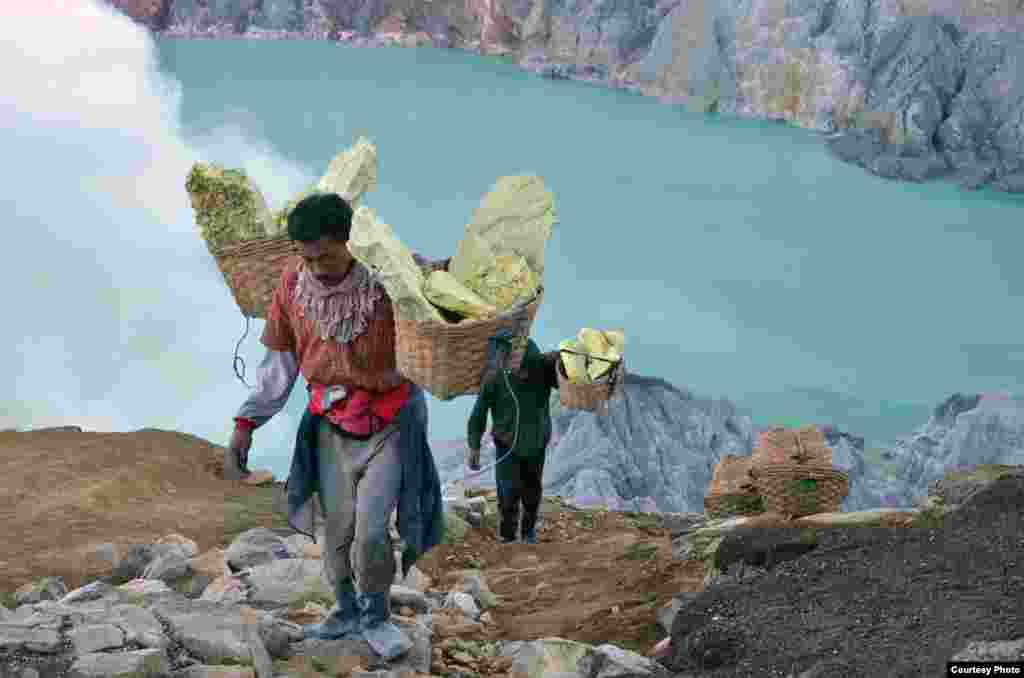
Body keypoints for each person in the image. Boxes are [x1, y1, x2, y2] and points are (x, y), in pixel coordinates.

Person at [226, 192, 446, 660]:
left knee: (370, 530)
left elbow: (441, 301)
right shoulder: (292, 287)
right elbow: (279, 363)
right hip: (329, 421)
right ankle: (344, 608)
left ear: (350, 241)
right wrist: (247, 422)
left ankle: (376, 613)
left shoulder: (388, 279)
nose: (317, 265)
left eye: (326, 253)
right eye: (307, 256)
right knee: (337, 529)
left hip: (390, 419)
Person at [465, 338, 560, 544]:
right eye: (516, 370)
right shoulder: (495, 377)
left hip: (536, 441)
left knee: (532, 491)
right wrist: (474, 446)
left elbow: (564, 375)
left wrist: (568, 361)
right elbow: (479, 412)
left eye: (524, 370)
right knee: (507, 492)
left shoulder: (542, 368)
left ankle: (528, 533)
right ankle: (507, 537)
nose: (521, 374)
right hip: (507, 443)